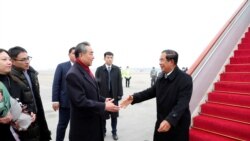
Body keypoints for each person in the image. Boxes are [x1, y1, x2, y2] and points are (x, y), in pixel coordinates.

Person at [120, 49, 193, 141]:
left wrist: (170, 120)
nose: (159, 63)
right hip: (161, 121)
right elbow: (151, 92)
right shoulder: (161, 76)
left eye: (162, 60)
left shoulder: (185, 79)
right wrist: (134, 97)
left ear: (171, 62)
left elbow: (182, 104)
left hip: (177, 123)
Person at [65, 41, 120, 141]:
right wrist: (104, 106)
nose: (93, 57)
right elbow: (80, 101)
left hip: (93, 126)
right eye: (91, 53)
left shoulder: (86, 70)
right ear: (81, 55)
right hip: (84, 130)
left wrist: (104, 100)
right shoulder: (73, 74)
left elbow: (92, 93)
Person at [8, 46, 51, 141]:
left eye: (28, 58)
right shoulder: (10, 77)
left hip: (38, 117)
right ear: (13, 61)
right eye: (23, 59)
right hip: (24, 121)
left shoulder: (31, 73)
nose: (27, 61)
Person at [95, 51, 123, 140]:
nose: (110, 59)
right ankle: (103, 131)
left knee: (114, 116)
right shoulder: (99, 70)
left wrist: (120, 94)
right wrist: (97, 96)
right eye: (108, 57)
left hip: (114, 96)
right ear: (104, 58)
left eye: (111, 57)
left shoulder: (117, 69)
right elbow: (96, 84)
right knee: (103, 116)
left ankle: (114, 132)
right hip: (103, 97)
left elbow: (119, 82)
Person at [52, 47, 75, 141]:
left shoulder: (82, 67)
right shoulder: (62, 66)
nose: (75, 55)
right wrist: (55, 100)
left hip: (79, 103)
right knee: (62, 125)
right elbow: (56, 83)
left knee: (75, 127)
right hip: (65, 102)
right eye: (73, 53)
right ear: (69, 54)